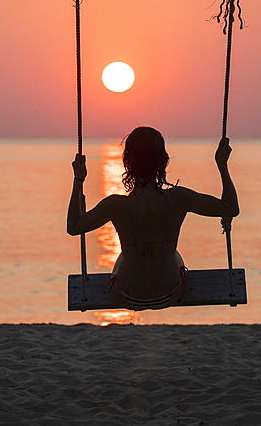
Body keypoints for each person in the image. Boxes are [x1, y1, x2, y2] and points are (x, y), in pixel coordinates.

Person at [67, 126, 239, 310]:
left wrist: (78, 180)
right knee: (174, 255)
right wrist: (222, 165)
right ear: (163, 160)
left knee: (123, 257)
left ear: (127, 162)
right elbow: (230, 208)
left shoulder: (115, 205)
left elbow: (74, 227)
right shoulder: (179, 198)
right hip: (169, 293)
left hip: (128, 295)